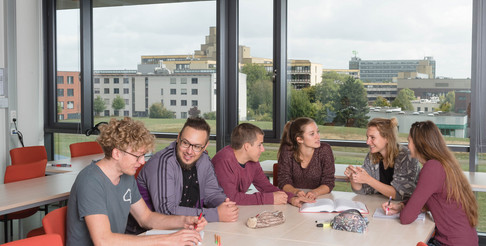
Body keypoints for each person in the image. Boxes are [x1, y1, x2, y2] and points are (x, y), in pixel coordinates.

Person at [66, 117, 207, 246]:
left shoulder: (126, 176)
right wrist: (169, 239)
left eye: (143, 155)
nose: (142, 161)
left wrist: (185, 221)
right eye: (137, 156)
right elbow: (103, 241)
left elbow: (146, 218)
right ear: (116, 153)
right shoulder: (90, 182)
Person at [383, 120, 478, 246]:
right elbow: (427, 200)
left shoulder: (432, 168)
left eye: (409, 141)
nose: (408, 145)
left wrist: (405, 209)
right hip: (464, 240)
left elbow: (406, 218)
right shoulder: (443, 164)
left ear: (419, 144)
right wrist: (401, 205)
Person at [136, 117, 239, 225]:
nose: (189, 151)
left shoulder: (204, 160)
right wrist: (216, 214)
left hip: (187, 228)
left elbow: (213, 193)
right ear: (178, 138)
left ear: (205, 146)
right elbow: (165, 211)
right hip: (146, 232)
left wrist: (225, 205)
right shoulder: (162, 162)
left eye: (197, 146)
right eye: (185, 143)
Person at [212, 123, 312, 207]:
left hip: (235, 212)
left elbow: (266, 187)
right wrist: (269, 199)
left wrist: (291, 198)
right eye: (259, 145)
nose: (263, 149)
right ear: (247, 146)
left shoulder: (252, 161)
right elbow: (230, 198)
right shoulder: (223, 161)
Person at [344, 117, 419, 201]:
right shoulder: (371, 156)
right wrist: (354, 178)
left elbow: (401, 194)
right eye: (367, 137)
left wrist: (368, 179)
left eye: (372, 137)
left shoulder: (407, 156)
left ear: (387, 138)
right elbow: (364, 190)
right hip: (378, 206)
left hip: (401, 208)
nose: (367, 142)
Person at [277, 117, 335, 200]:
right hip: (294, 198)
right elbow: (283, 180)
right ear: (300, 139)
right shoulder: (287, 151)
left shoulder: (325, 150)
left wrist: (315, 192)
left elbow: (329, 182)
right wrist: (295, 192)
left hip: (319, 198)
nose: (318, 136)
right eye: (312, 134)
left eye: (317, 132)